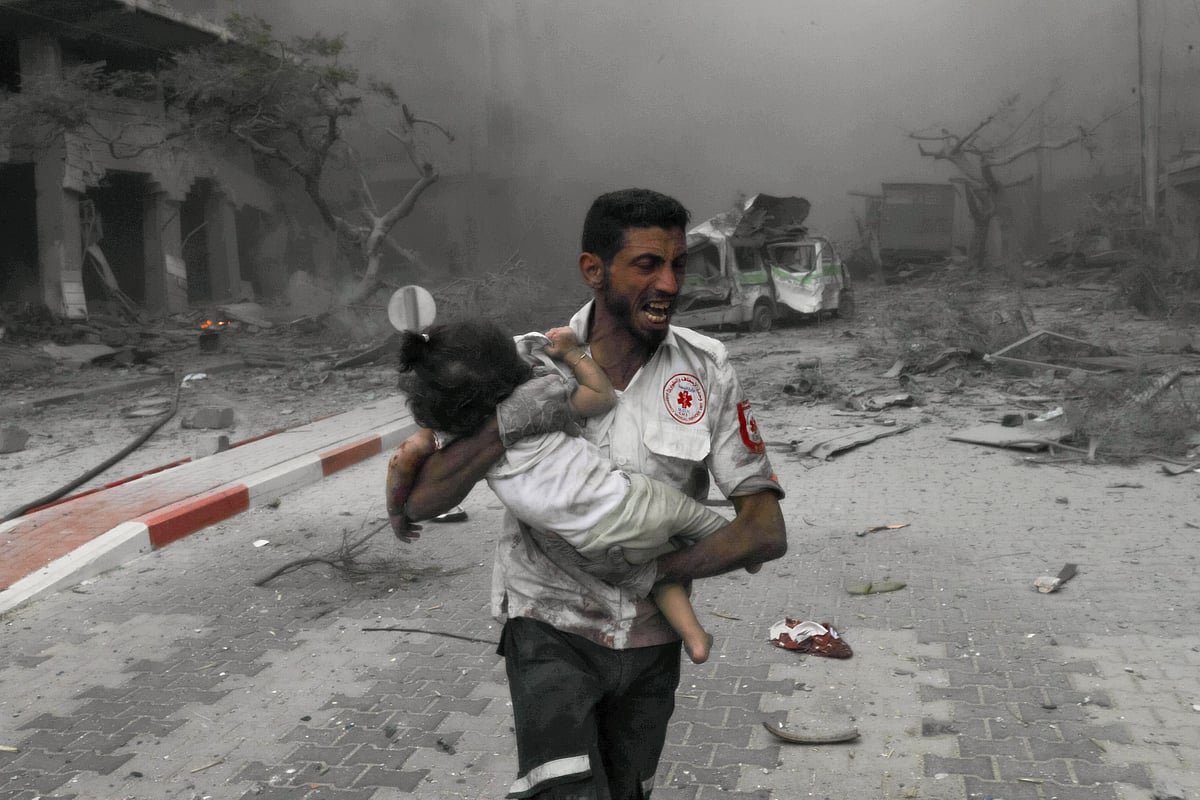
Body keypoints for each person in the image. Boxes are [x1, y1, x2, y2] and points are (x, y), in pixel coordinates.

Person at [385, 188, 787, 800]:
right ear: (593, 270)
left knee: (628, 792)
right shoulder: (518, 367)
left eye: (679, 263)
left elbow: (763, 530)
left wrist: (655, 574)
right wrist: (502, 424)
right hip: (548, 628)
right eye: (647, 264)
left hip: (652, 644)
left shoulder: (708, 370)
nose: (670, 283)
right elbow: (422, 503)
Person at [395, 318, 729, 664]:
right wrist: (571, 354)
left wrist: (395, 510)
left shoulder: (457, 428)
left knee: (652, 573)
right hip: (606, 537)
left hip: (584, 547)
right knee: (691, 520)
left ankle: (695, 637)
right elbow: (601, 397)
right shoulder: (536, 382)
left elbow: (403, 469)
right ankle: (736, 547)